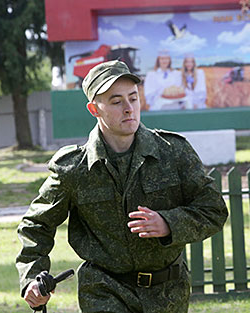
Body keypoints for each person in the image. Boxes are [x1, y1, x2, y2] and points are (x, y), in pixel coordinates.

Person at [16, 60, 228, 312]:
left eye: (133, 98)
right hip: (103, 289)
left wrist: (169, 223)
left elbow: (213, 210)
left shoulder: (173, 153)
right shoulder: (73, 168)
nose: (129, 108)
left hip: (168, 292)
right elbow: (37, 224)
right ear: (94, 109)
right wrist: (32, 276)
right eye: (116, 102)